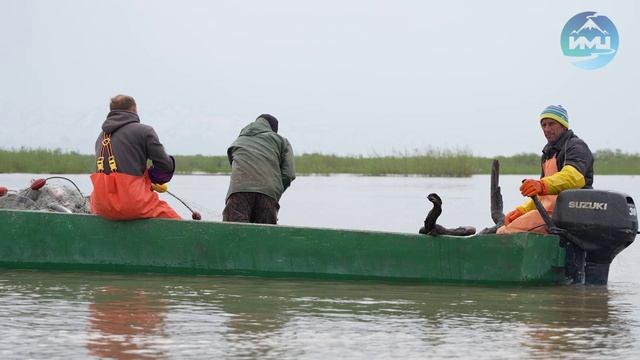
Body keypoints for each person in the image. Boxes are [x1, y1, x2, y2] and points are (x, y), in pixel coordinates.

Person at [497, 105, 593, 234]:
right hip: (549, 213)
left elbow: (573, 177)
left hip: (569, 215)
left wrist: (541, 185)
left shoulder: (576, 146)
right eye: (544, 125)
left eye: (552, 124)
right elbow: (544, 197)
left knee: (506, 232)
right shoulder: (548, 153)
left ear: (564, 125)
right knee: (503, 228)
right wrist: (522, 210)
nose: (547, 129)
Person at [89, 94, 181, 220]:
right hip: (133, 204)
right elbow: (165, 166)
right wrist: (152, 177)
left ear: (111, 111)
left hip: (100, 207)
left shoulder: (101, 137)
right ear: (134, 109)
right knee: (177, 223)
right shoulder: (144, 131)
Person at [223, 114, 295, 224]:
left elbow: (234, 165)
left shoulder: (239, 140)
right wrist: (273, 193)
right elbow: (288, 174)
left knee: (234, 236)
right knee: (264, 238)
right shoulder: (282, 141)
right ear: (273, 130)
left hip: (238, 194)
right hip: (267, 195)